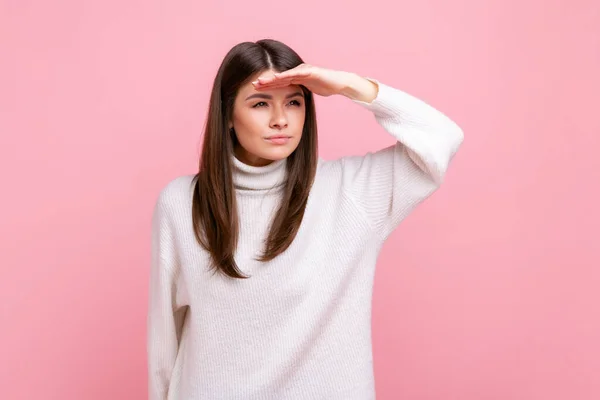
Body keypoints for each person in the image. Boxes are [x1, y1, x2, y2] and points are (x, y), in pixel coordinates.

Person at [147, 39, 464, 400]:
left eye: (294, 102)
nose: (280, 119)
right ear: (228, 116)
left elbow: (444, 136)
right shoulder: (181, 203)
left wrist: (348, 85)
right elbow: (164, 344)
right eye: (260, 103)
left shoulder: (351, 193)